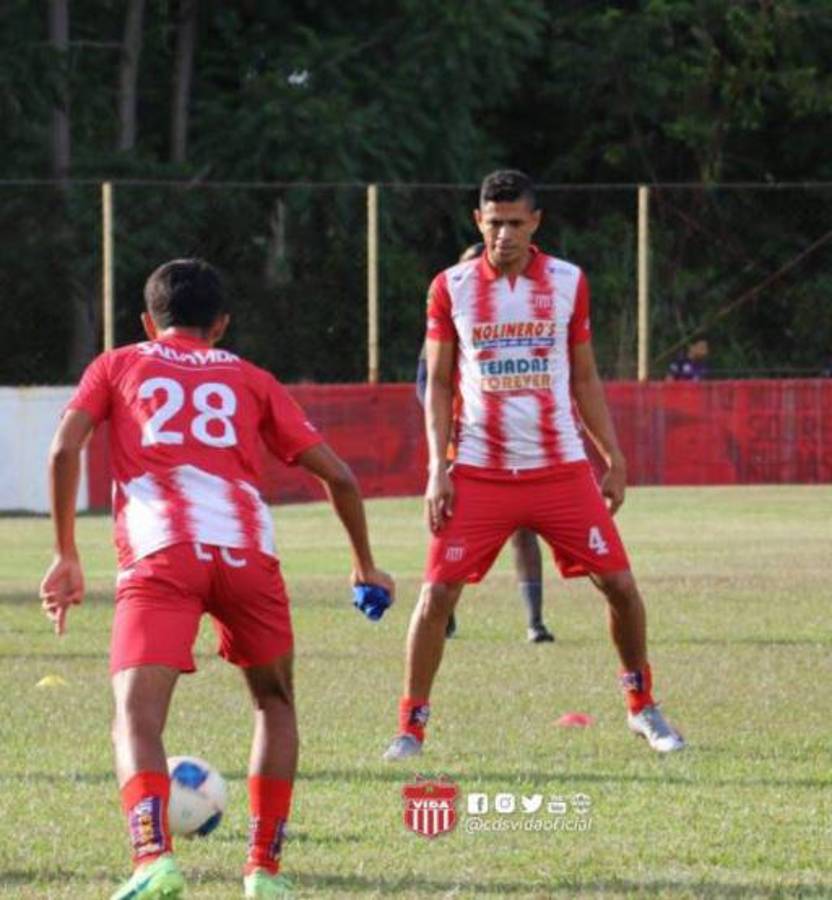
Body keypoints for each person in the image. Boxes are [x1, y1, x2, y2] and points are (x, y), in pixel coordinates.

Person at [38, 259, 394, 900]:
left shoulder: (118, 364)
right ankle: (264, 872)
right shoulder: (251, 377)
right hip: (247, 555)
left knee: (136, 717)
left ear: (147, 321)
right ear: (222, 325)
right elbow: (339, 475)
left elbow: (65, 448)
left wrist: (66, 552)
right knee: (274, 704)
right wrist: (364, 564)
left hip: (162, 554)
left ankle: (153, 860)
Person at [384, 169, 684, 762]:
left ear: (535, 222)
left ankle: (641, 706)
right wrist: (436, 468)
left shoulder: (570, 282)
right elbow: (439, 382)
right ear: (478, 222)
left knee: (620, 586)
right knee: (436, 596)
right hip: (478, 471)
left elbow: (585, 375)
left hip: (560, 470)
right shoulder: (451, 287)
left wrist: (613, 456)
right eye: (494, 223)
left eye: (516, 223)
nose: (504, 234)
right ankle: (410, 728)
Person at [416, 242, 554, 644]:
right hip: (464, 440)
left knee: (525, 528)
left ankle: (535, 622)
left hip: (514, 441)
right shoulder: (447, 319)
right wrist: (446, 431)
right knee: (449, 521)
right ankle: (446, 615)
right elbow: (428, 385)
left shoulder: (517, 318)